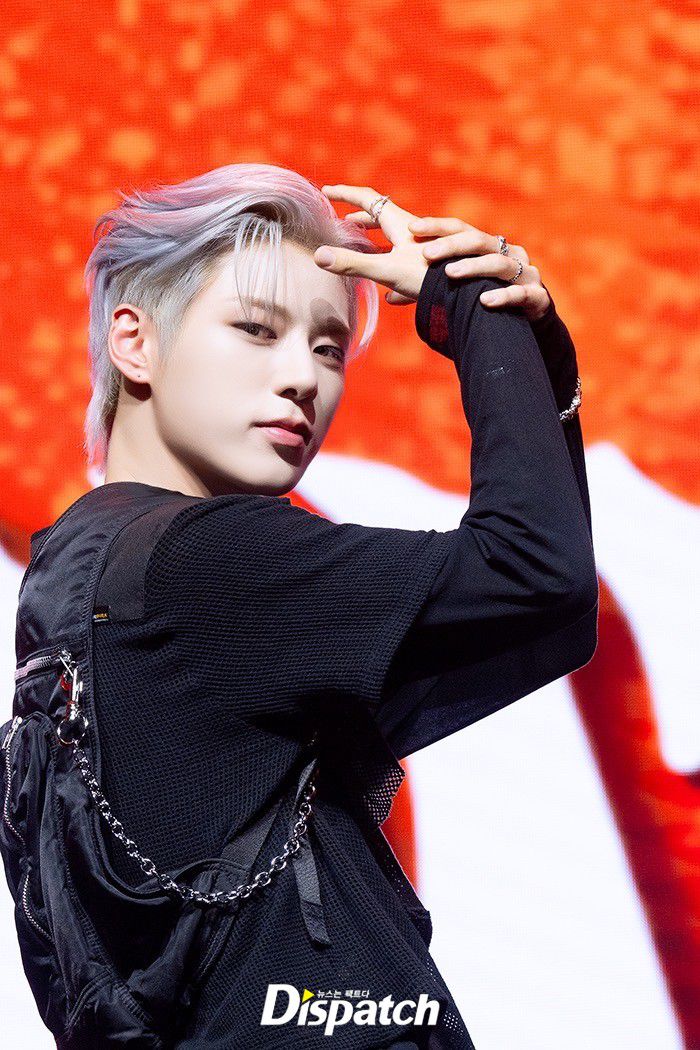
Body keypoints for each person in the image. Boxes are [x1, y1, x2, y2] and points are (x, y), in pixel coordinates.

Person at [68, 163, 599, 1046]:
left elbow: (547, 616)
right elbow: (535, 571)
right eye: (255, 329)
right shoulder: (206, 564)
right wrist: (477, 310)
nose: (302, 379)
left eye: (326, 347)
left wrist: (541, 375)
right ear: (135, 343)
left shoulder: (94, 581)